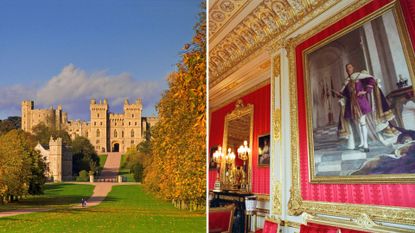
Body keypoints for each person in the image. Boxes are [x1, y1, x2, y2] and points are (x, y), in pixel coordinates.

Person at [334, 64, 394, 152]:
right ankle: (362, 142)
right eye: (347, 69)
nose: (348, 70)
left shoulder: (359, 76)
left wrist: (365, 91)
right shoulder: (346, 81)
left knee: (362, 122)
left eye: (350, 68)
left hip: (361, 103)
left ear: (353, 68)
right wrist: (340, 95)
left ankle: (366, 145)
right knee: (357, 123)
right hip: (351, 105)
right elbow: (346, 94)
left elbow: (371, 80)